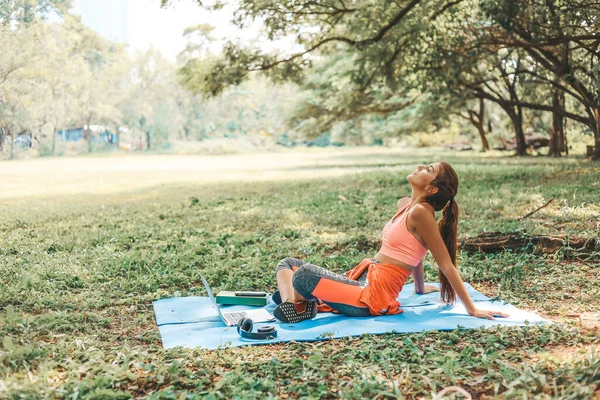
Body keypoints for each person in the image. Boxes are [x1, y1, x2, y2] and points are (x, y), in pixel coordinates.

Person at [272, 162, 509, 323]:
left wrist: (471, 308)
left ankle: (296, 300)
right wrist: (419, 287)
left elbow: (446, 264)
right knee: (287, 264)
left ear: (432, 188)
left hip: (373, 294)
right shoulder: (406, 205)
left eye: (428, 169)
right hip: (363, 278)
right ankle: (298, 304)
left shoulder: (422, 213)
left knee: (302, 275)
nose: (419, 167)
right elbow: (415, 251)